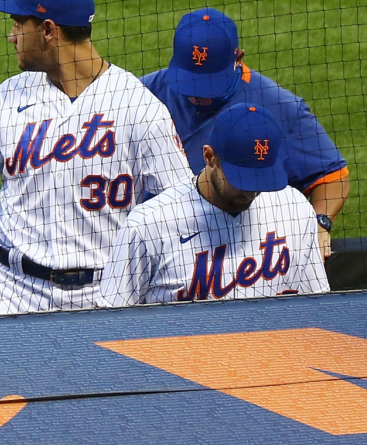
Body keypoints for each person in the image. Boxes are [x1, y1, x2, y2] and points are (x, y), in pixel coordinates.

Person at [0, 0, 191, 314]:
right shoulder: (8, 96)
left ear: (49, 31)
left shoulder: (138, 107)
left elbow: (179, 204)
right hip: (11, 290)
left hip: (103, 296)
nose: (11, 36)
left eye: (18, 24)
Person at [141, 9, 349, 258]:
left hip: (244, 252)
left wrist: (319, 224)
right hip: (158, 249)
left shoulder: (279, 106)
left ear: (238, 59)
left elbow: (332, 175)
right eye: (191, 80)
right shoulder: (140, 96)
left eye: (210, 82)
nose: (198, 94)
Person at [99, 103, 329, 305]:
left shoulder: (294, 208)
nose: (252, 192)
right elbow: (110, 320)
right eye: (242, 179)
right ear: (210, 158)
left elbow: (317, 305)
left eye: (261, 179)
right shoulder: (149, 225)